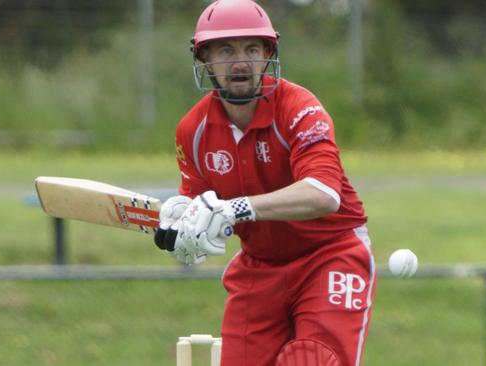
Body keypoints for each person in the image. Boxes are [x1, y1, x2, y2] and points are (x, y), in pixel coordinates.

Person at [153, 1, 376, 365]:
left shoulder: (299, 108)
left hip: (330, 254)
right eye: (226, 50)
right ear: (204, 58)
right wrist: (180, 218)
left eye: (251, 49)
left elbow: (323, 193)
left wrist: (237, 207)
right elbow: (196, 199)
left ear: (267, 54)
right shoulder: (192, 131)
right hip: (259, 267)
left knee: (311, 360)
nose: (240, 62)